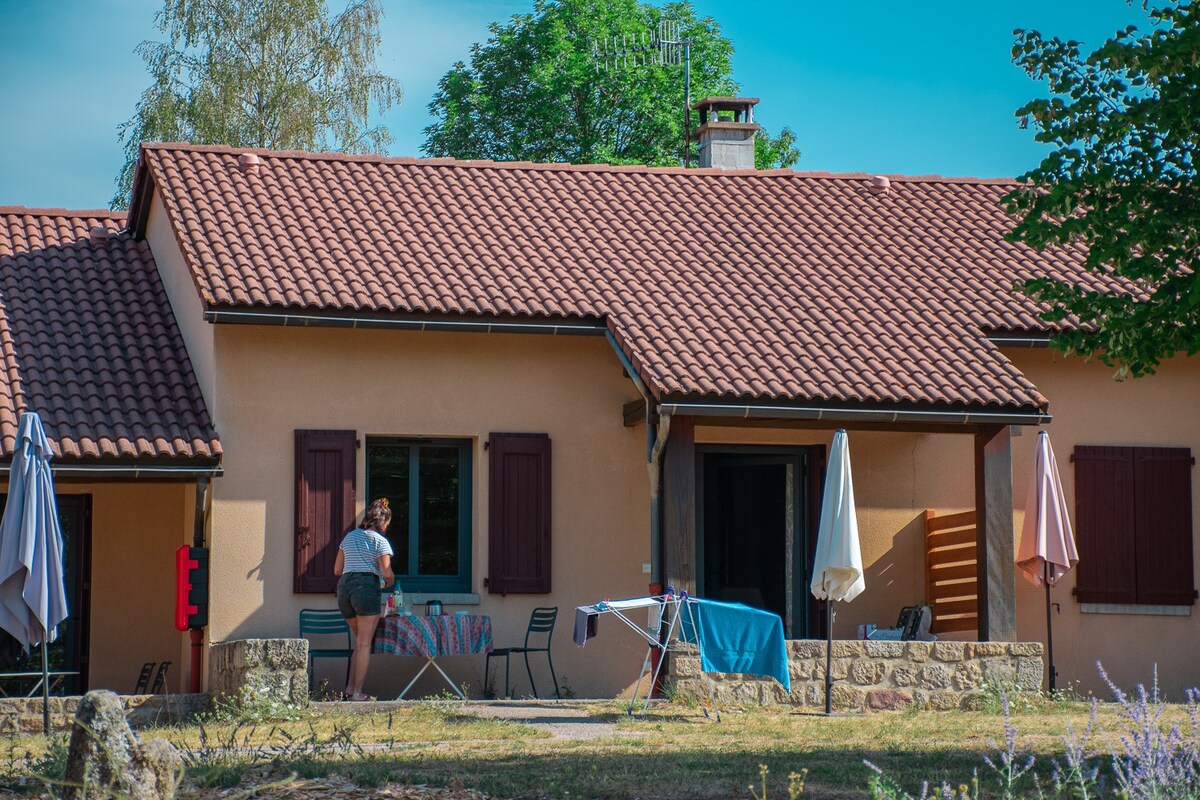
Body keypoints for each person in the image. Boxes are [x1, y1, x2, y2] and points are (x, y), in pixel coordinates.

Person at [333, 497, 395, 701]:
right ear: (383, 521)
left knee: (359, 642)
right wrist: (389, 582)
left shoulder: (349, 537)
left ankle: (350, 689)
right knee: (364, 644)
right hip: (365, 588)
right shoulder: (380, 541)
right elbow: (387, 573)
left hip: (344, 590)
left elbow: (337, 570)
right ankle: (358, 694)